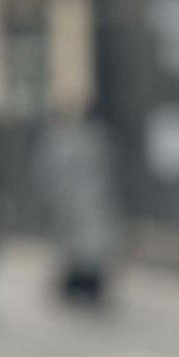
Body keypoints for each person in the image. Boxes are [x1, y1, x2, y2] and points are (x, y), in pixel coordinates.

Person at [30, 100, 119, 305]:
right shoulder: (66, 140)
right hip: (75, 206)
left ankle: (86, 288)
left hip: (84, 205)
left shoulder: (86, 139)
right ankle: (79, 288)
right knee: (77, 249)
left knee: (87, 249)